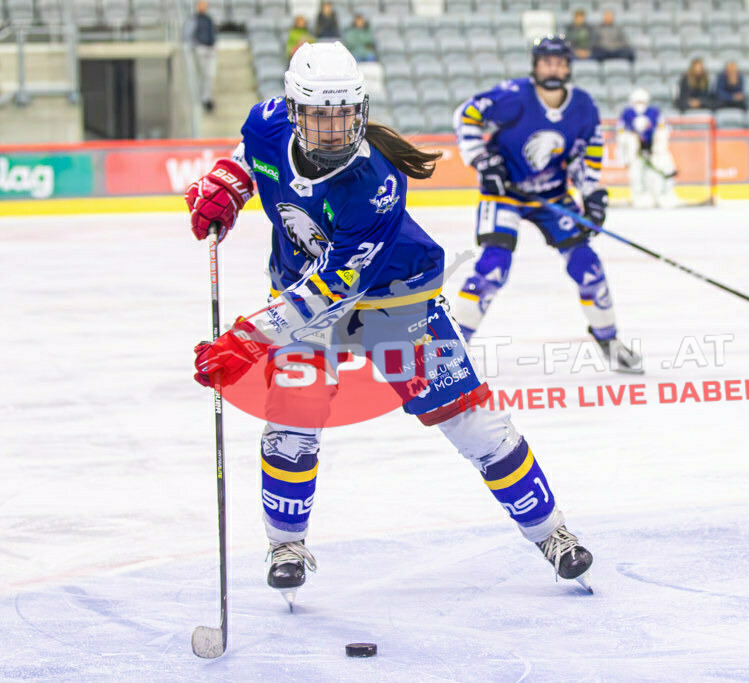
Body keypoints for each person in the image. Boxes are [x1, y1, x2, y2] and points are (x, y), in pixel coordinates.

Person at [184, 41, 594, 603]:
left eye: (345, 117)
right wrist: (229, 182)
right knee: (292, 425)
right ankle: (285, 545)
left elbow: (332, 290)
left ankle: (553, 534)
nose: (334, 132)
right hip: (297, 292)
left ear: (362, 109)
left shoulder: (374, 183)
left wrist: (248, 340)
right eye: (319, 118)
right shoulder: (266, 122)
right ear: (292, 109)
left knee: (471, 421)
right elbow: (248, 153)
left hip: (394, 301)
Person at [452, 35, 643, 373]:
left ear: (568, 66)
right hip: (504, 194)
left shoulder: (583, 106)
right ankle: (452, 347)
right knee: (493, 267)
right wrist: (484, 160)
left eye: (559, 61)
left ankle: (609, 340)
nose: (553, 67)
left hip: (552, 196)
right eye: (546, 61)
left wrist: (592, 194)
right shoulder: (512, 96)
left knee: (588, 265)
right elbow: (465, 115)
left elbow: (589, 151)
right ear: (535, 65)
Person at [619, 87, 678, 209]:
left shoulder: (654, 112)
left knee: (665, 168)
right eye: (637, 102)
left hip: (654, 150)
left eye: (642, 102)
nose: (640, 105)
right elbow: (621, 133)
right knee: (636, 174)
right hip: (637, 153)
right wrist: (632, 143)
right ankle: (640, 195)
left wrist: (658, 144)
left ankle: (664, 195)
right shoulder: (627, 114)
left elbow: (663, 128)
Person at [189, 0, 217, 113]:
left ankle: (206, 97)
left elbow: (213, 32)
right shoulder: (194, 19)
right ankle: (201, 98)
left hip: (210, 49)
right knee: (202, 74)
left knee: (210, 74)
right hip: (200, 49)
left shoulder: (209, 19)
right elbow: (190, 34)